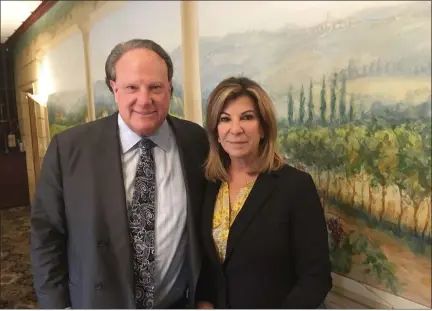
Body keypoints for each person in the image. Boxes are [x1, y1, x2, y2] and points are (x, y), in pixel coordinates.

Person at [30, 39, 209, 309]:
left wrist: (205, 296)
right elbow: (46, 236)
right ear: (114, 89)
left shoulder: (195, 141)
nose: (144, 100)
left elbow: (206, 228)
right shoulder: (69, 149)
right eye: (131, 87)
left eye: (155, 87)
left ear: (170, 89)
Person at [195, 77, 332, 309]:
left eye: (247, 117)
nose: (235, 129)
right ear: (216, 131)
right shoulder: (209, 183)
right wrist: (204, 303)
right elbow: (211, 267)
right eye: (225, 119)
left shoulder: (295, 186)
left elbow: (316, 278)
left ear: (263, 127)